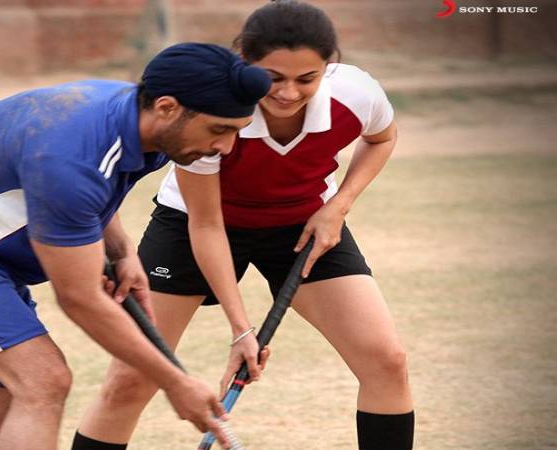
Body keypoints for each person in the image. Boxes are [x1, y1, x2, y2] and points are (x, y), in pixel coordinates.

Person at [0, 43, 271, 450]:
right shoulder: (71, 156)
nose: (226, 147)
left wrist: (121, 250)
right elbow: (80, 298)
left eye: (236, 131)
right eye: (218, 130)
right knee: (43, 382)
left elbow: (96, 187)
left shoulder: (136, 125)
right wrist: (175, 382)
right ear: (166, 107)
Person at [73, 2, 414, 450]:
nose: (289, 93)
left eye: (306, 79)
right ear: (244, 63)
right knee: (130, 381)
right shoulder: (213, 110)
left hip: (302, 223)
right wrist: (241, 330)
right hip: (194, 226)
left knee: (386, 360)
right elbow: (207, 224)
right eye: (273, 77)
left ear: (328, 66)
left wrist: (339, 206)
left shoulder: (356, 93)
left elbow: (382, 137)